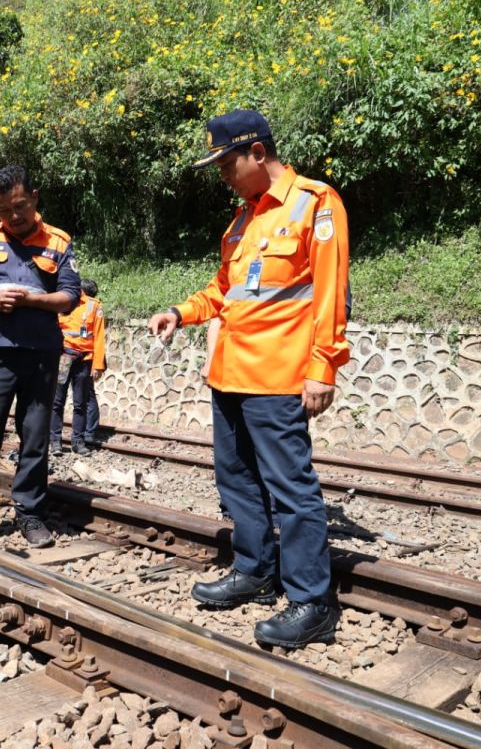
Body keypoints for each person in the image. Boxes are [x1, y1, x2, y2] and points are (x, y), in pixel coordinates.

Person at [148, 109, 350, 649]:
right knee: (236, 480)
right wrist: (180, 311)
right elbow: (224, 290)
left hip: (280, 376)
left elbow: (331, 293)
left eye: (227, 164)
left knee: (292, 490)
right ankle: (255, 570)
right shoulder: (242, 221)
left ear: (257, 153)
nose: (222, 176)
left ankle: (311, 600)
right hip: (230, 374)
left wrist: (323, 366)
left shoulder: (315, 204)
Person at [0, 165, 80, 548]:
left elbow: (69, 297)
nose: (13, 216)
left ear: (35, 197)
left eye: (20, 206)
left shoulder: (58, 241)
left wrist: (33, 300)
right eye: (4, 209)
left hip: (41, 354)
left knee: (35, 437)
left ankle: (30, 513)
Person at [50, 278, 106, 456]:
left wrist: (98, 365)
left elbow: (98, 336)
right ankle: (55, 441)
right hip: (63, 359)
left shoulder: (93, 306)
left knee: (80, 403)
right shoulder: (61, 301)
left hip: (84, 360)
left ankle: (78, 442)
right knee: (57, 402)